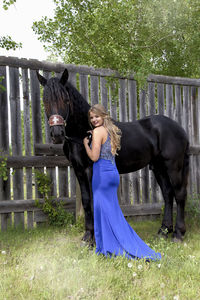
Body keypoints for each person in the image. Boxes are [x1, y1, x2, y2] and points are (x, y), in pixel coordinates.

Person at [83, 104, 161, 261]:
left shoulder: (98, 132)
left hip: (102, 176)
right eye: (91, 118)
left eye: (97, 116)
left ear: (104, 116)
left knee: (102, 210)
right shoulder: (111, 131)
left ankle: (109, 246)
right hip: (112, 173)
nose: (94, 120)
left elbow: (94, 157)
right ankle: (116, 241)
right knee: (112, 211)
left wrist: (86, 143)